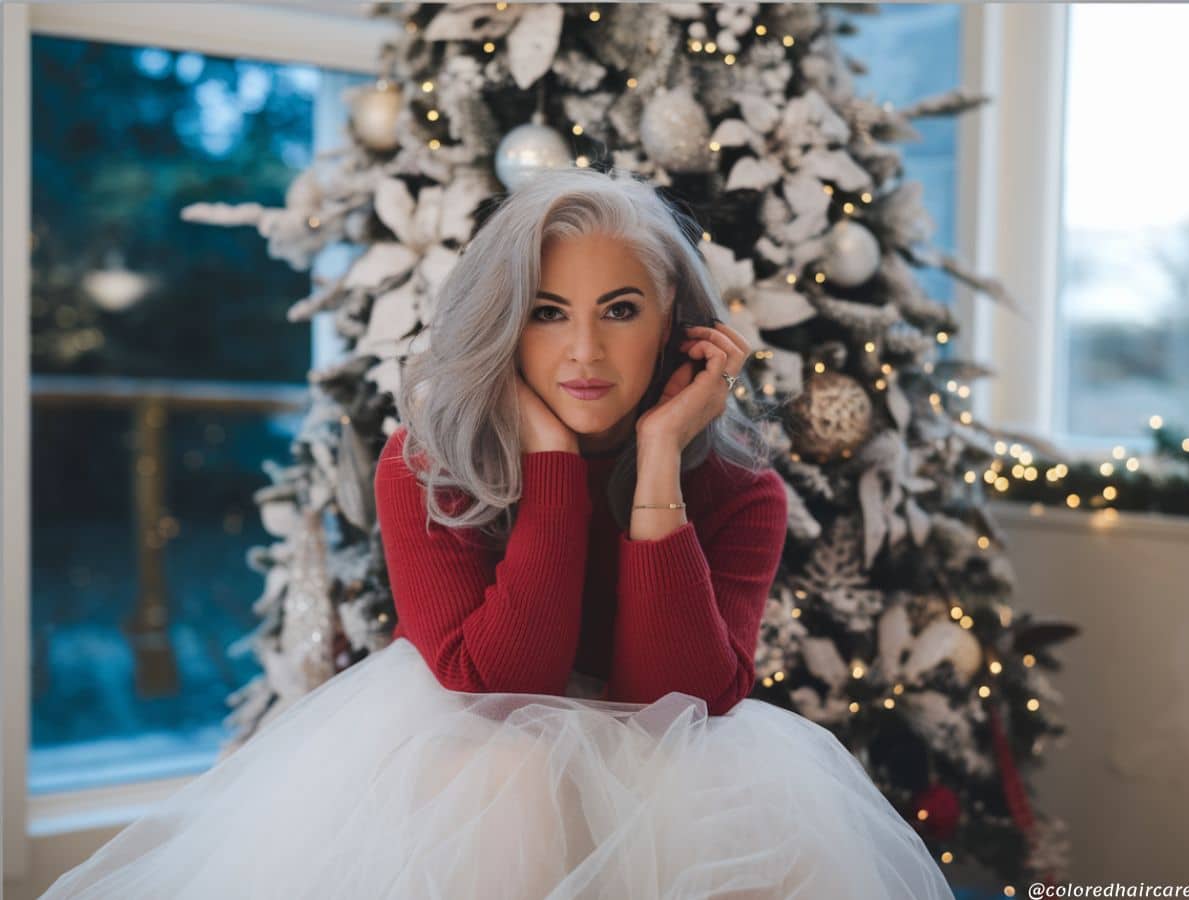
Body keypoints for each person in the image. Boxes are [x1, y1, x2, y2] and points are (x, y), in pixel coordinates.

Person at [39, 167, 955, 899]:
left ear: (680, 329)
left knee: (743, 819)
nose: (584, 353)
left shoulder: (736, 491)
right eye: (547, 313)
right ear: (504, 326)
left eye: (621, 310)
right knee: (506, 775)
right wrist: (551, 463)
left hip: (668, 770)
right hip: (470, 754)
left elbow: (675, 702)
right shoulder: (428, 468)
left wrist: (662, 458)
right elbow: (499, 685)